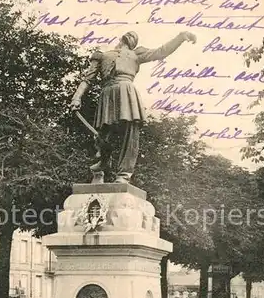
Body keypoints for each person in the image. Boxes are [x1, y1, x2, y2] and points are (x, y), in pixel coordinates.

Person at [70, 30, 197, 184]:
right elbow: (87, 79)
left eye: (134, 37)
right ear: (122, 38)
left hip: (127, 92)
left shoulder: (136, 54)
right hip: (108, 94)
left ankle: (124, 175)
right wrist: (77, 97)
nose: (131, 36)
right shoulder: (102, 55)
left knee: (131, 132)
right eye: (130, 36)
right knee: (102, 135)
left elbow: (161, 52)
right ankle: (100, 169)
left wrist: (180, 37)